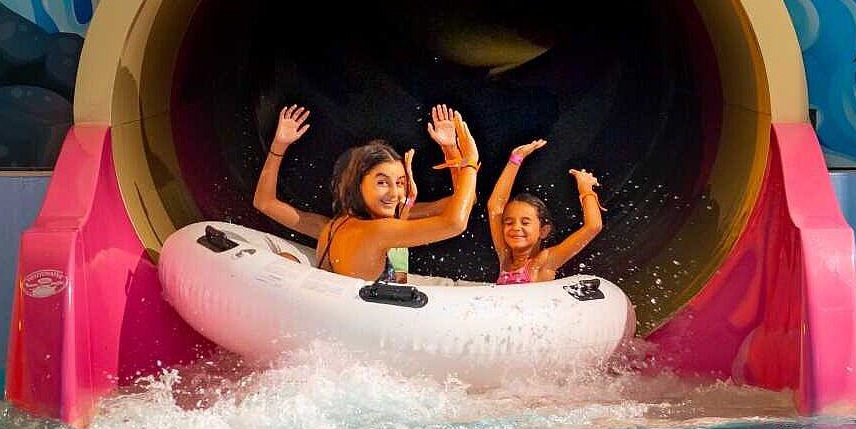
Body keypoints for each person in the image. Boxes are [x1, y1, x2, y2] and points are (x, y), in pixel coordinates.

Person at [252, 104, 480, 282]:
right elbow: (455, 222)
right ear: (357, 185)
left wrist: (279, 145)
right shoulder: (380, 230)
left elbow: (264, 203)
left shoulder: (331, 226)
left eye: (400, 182)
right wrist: (468, 160)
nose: (394, 193)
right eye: (382, 182)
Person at [486, 139, 604, 284]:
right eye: (509, 222)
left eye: (525, 222)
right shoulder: (505, 257)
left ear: (543, 231)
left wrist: (585, 189)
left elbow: (593, 226)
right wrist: (515, 159)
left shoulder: (545, 261)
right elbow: (495, 207)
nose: (516, 227)